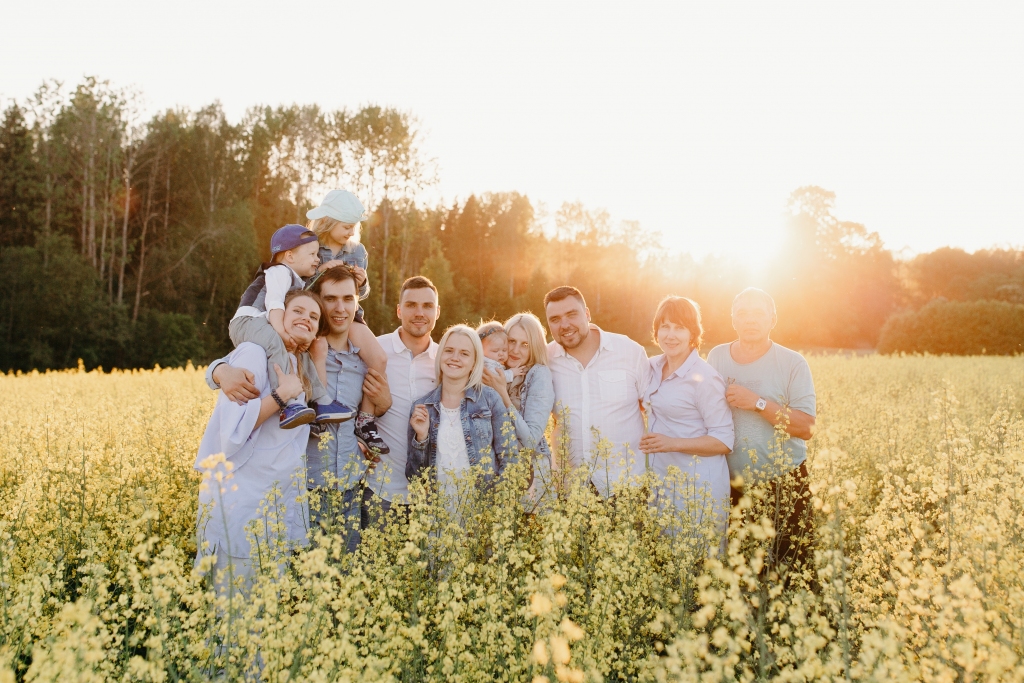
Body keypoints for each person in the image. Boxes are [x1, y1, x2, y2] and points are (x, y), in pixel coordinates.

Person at [194, 289, 324, 584]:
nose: (306, 319)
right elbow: (232, 433)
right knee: (234, 622)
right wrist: (281, 396)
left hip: (275, 514)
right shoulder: (254, 352)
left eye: (314, 317)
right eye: (298, 312)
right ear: (277, 316)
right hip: (243, 512)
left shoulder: (298, 364)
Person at [706, 287, 817, 574]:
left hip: (784, 486)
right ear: (733, 320)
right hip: (731, 488)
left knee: (790, 574)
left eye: (758, 313)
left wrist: (756, 402)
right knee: (737, 578)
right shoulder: (717, 357)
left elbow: (806, 427)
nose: (750, 320)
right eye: (742, 313)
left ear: (773, 319)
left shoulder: (793, 363)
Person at [305, 265, 392, 552]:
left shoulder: (363, 362)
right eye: (330, 299)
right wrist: (219, 372)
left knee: (346, 581)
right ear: (319, 301)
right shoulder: (301, 353)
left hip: (351, 490)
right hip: (306, 490)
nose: (340, 308)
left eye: (347, 299)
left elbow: (373, 410)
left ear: (357, 302)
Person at [227, 224, 345, 428]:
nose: (318, 259)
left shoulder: (294, 278)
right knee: (276, 344)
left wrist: (322, 272)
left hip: (261, 323)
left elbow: (303, 293)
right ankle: (288, 404)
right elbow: (274, 303)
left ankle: (320, 400)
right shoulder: (279, 271)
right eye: (312, 254)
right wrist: (281, 332)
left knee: (302, 352)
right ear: (289, 256)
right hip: (247, 322)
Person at [639, 296, 733, 544]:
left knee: (699, 568)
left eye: (680, 328)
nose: (671, 335)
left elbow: (723, 440)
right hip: (662, 483)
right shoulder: (652, 367)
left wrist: (672, 443)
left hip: (698, 488)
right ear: (656, 331)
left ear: (693, 333)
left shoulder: (704, 377)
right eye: (665, 327)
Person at [543, 286, 653, 498]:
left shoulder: (629, 351)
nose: (564, 325)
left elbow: (654, 410)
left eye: (571, 314)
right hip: (570, 491)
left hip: (625, 487)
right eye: (554, 319)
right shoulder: (545, 359)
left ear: (587, 314)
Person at [305, 190, 391, 454]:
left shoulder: (358, 250)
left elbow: (359, 295)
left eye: (354, 227)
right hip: (317, 313)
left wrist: (363, 282)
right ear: (329, 221)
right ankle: (317, 408)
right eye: (345, 227)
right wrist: (320, 273)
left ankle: (365, 420)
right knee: (315, 351)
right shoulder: (312, 247)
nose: (350, 232)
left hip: (350, 315)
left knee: (379, 358)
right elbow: (300, 287)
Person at [406, 325, 516, 512]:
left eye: (464, 353)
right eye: (449, 351)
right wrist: (421, 438)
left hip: (482, 514)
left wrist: (497, 511)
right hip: (437, 517)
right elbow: (415, 477)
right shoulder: (423, 407)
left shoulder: (489, 400)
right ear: (440, 355)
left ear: (474, 362)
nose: (455, 358)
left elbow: (509, 457)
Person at [362, 276, 441, 520]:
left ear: (437, 312)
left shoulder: (445, 359)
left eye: (427, 306)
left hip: (428, 496)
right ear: (399, 310)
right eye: (411, 305)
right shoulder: (375, 349)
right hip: (378, 490)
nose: (419, 312)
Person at [480, 313, 554, 498]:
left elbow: (530, 440)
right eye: (511, 341)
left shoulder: (539, 374)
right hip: (496, 472)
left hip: (529, 478)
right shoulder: (497, 369)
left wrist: (502, 394)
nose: (515, 350)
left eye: (525, 344)